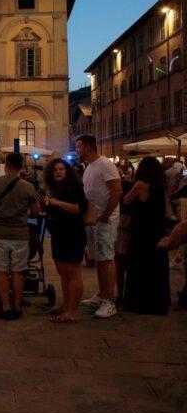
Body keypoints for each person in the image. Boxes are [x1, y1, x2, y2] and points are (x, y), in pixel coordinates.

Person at [0, 152, 39, 320]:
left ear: (6, 165)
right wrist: (21, 215)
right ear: (21, 167)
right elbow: (35, 212)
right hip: (20, 234)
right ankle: (17, 306)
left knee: (0, 270)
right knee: (18, 271)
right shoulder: (28, 187)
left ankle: (5, 307)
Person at [76, 135, 122, 319]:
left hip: (105, 220)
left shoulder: (104, 164)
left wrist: (105, 215)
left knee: (107, 258)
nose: (77, 150)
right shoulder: (89, 167)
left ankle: (110, 301)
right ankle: (102, 294)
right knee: (99, 259)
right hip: (94, 220)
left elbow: (117, 190)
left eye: (79, 147)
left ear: (87, 147)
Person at [122, 157, 170, 315]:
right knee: (156, 267)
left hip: (142, 231)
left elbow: (126, 201)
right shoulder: (161, 186)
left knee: (139, 266)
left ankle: (139, 302)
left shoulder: (140, 185)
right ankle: (157, 302)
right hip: (157, 230)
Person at [43, 158, 88, 323]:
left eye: (61, 169)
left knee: (73, 273)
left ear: (67, 171)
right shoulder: (54, 189)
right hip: (58, 234)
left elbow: (80, 209)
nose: (58, 172)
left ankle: (73, 311)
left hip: (73, 234)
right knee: (62, 273)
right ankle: (66, 305)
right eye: (55, 170)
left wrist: (59, 203)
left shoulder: (74, 186)